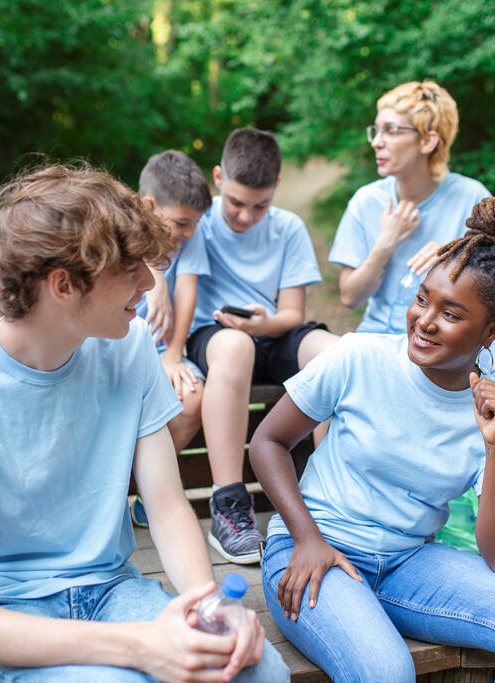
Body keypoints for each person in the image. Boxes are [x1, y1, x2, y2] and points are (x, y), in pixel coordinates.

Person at [0, 164, 288, 682]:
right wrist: (141, 647)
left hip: (115, 593)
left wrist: (207, 613)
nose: (148, 283)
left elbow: (165, 505)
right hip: (9, 620)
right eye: (130, 270)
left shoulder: (130, 346)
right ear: (64, 285)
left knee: (255, 669)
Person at [250, 197, 495, 682]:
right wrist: (306, 537)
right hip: (313, 548)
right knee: (387, 672)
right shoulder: (358, 357)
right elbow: (268, 441)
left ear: (492, 331)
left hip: (410, 562)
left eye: (451, 314)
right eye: (423, 298)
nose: (424, 321)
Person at [330, 80, 495, 557]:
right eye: (375, 130)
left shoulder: (472, 198)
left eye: (391, 131)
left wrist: (450, 255)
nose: (377, 142)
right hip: (386, 334)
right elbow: (348, 296)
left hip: (455, 342)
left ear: (428, 141)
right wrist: (385, 244)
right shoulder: (367, 203)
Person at [186, 128, 338, 565]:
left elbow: (292, 311)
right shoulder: (199, 222)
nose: (247, 216)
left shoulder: (288, 228)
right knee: (236, 347)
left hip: (270, 330)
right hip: (218, 337)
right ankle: (229, 505)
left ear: (277, 189)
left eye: (260, 205)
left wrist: (265, 323)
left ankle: (331, 500)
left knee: (336, 353)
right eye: (236, 203)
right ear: (218, 177)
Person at [129, 150, 212, 528]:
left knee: (193, 395)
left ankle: (150, 488)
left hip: (163, 349)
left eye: (195, 223)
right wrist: (154, 274)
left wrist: (175, 354)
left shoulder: (189, 241)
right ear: (148, 206)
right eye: (181, 222)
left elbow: (188, 294)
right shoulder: (118, 228)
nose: (189, 232)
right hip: (117, 350)